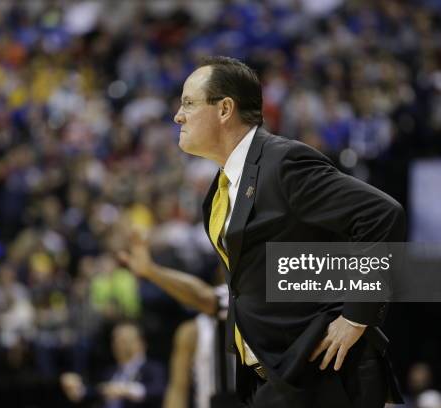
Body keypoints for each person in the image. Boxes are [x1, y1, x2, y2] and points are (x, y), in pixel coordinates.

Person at [121, 56, 405, 407]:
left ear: (225, 109)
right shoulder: (218, 192)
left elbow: (381, 214)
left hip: (325, 371)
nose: (178, 116)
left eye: (189, 103)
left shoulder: (282, 162)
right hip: (273, 378)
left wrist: (356, 316)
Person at [60, 321, 166, 408]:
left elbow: (158, 390)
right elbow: (96, 392)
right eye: (115, 340)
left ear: (140, 343)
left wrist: (126, 390)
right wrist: (76, 389)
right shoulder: (110, 372)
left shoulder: (153, 368)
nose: (117, 344)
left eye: (124, 340)